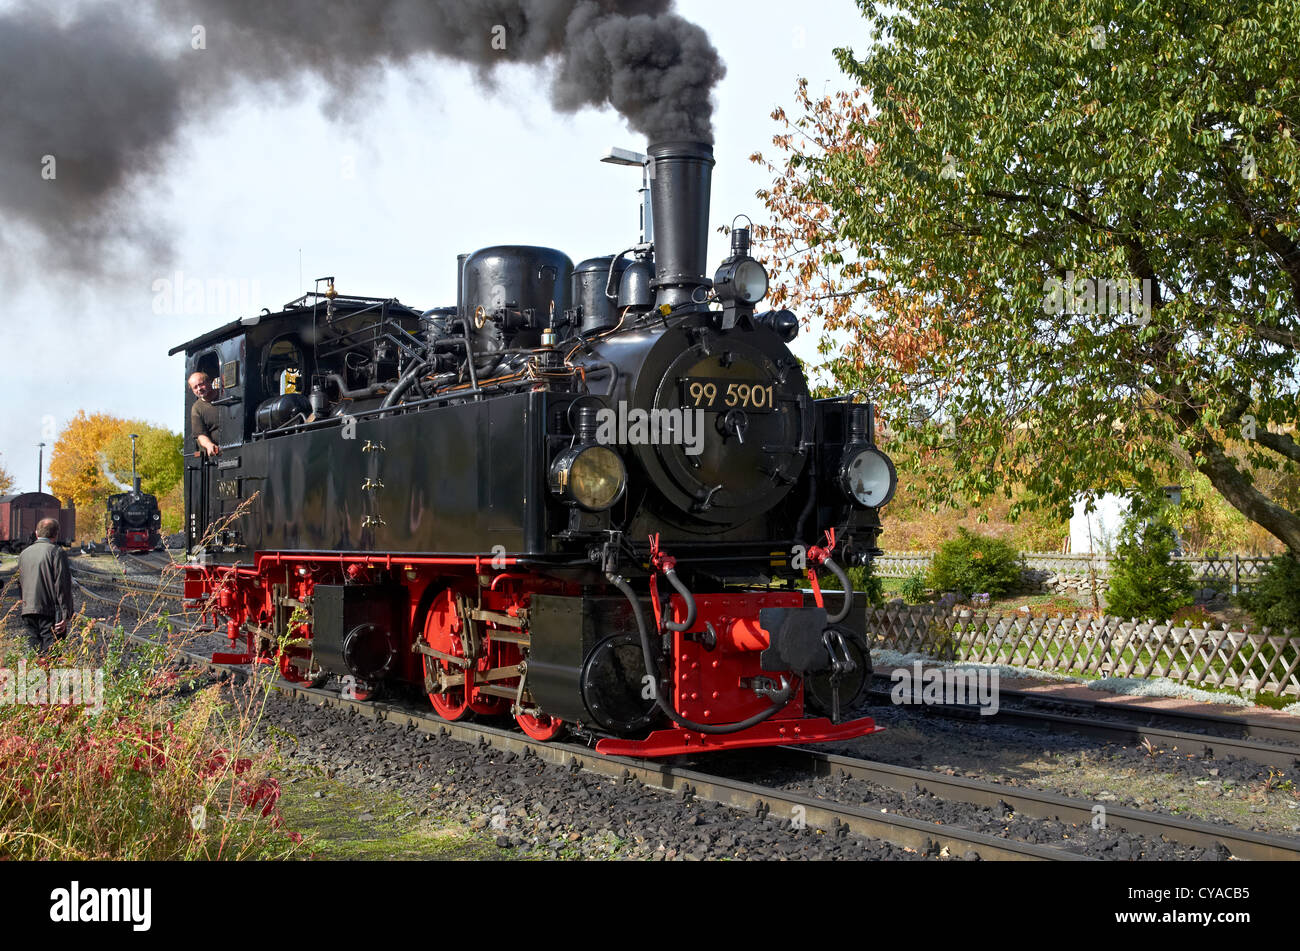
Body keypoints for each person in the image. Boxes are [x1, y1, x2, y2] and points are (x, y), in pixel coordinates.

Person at [18, 517, 74, 653]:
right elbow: (62, 586)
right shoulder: (57, 553)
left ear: (36, 533)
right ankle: (48, 674)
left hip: (28, 610)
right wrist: (66, 614)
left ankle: (33, 673)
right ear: (56, 534)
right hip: (49, 611)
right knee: (51, 653)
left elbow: (20, 583)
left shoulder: (24, 554)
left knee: (33, 651)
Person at [189, 371, 222, 457]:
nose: (199, 389)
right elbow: (200, 435)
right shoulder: (197, 408)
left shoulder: (224, 394)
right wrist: (209, 445)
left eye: (201, 384)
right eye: (195, 387)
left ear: (208, 382)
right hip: (219, 451)